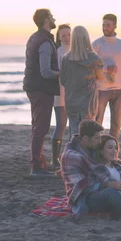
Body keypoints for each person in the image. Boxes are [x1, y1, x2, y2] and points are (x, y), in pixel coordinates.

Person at [22, 8, 60, 177]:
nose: (54, 18)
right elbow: (46, 72)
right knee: (41, 127)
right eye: (51, 16)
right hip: (41, 89)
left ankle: (39, 162)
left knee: (37, 126)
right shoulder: (44, 42)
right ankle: (36, 167)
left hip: (34, 87)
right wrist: (63, 72)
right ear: (46, 21)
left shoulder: (34, 38)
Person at [93, 13, 121, 142]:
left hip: (118, 90)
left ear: (115, 26)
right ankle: (97, 150)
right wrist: (102, 72)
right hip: (101, 90)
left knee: (116, 125)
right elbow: (90, 67)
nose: (105, 28)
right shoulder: (96, 44)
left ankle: (113, 151)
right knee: (97, 123)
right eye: (103, 25)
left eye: (108, 25)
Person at [60, 26, 104, 138]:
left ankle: (74, 154)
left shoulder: (66, 59)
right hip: (89, 102)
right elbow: (100, 77)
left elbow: (63, 81)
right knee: (89, 135)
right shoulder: (95, 59)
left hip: (72, 101)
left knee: (74, 133)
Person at [51, 24, 71, 169]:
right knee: (61, 125)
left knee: (75, 126)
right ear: (59, 37)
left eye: (68, 34)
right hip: (61, 92)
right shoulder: (58, 52)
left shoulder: (77, 50)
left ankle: (71, 156)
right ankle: (55, 158)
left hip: (75, 92)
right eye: (63, 35)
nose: (66, 38)